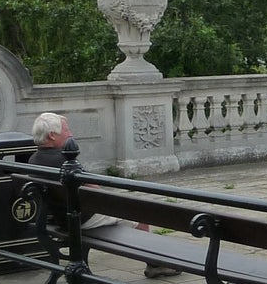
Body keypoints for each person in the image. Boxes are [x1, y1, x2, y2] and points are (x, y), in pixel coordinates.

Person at [29, 112, 167, 274]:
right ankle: (156, 265)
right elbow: (96, 192)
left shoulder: (33, 160)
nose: (70, 134)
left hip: (57, 218)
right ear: (52, 135)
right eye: (66, 130)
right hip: (80, 219)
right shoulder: (65, 161)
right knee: (140, 216)